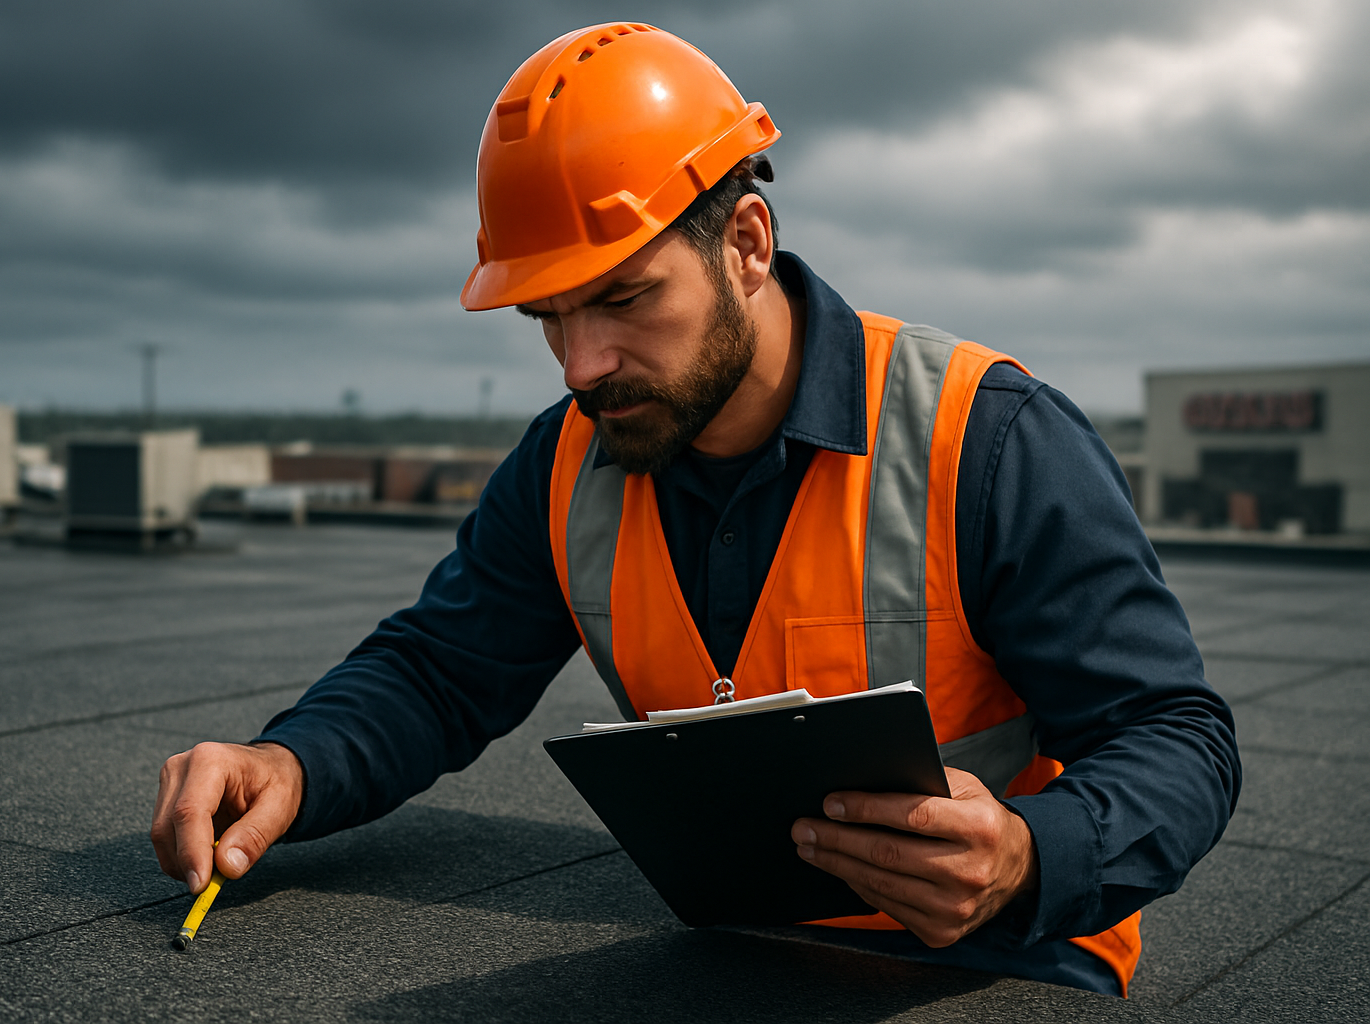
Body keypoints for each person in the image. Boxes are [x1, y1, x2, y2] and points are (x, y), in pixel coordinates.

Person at [150, 24, 1239, 997]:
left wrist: (1027, 855)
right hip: (728, 953)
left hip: (998, 961)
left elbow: (1176, 737)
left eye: (624, 297)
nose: (583, 364)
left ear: (748, 244)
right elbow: (440, 670)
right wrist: (292, 762)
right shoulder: (570, 458)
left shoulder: (986, 437)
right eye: (549, 316)